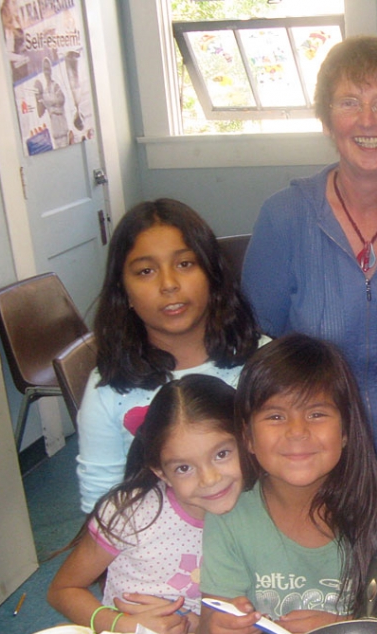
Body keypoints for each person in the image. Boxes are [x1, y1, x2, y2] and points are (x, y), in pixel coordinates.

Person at [242, 36, 377, 483]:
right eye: (349, 102)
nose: (368, 120)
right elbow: (254, 350)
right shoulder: (284, 217)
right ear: (327, 120)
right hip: (311, 466)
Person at [196, 334, 377, 634]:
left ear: (346, 430)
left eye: (316, 414)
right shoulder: (229, 516)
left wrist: (346, 630)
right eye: (275, 416)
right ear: (247, 437)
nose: (297, 431)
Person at [77, 198, 262, 514]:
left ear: (212, 275)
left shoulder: (263, 362)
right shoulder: (109, 389)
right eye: (146, 271)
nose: (169, 284)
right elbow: (102, 506)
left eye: (185, 264)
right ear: (125, 293)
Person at [48, 375, 244, 634]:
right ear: (160, 471)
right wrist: (119, 624)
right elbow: (63, 590)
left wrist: (196, 624)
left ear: (247, 440)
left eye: (222, 454)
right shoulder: (131, 515)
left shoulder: (264, 513)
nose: (209, 479)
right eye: (184, 468)